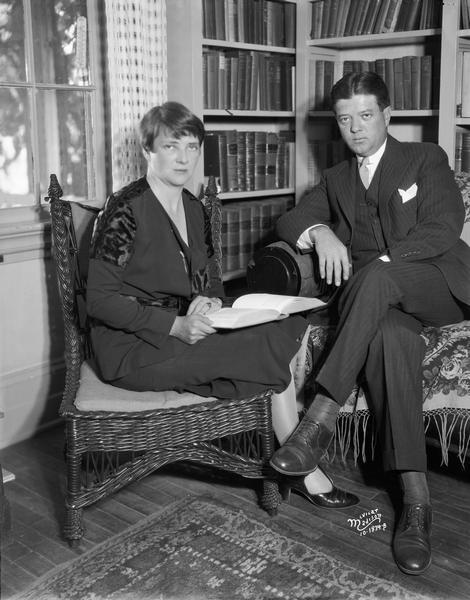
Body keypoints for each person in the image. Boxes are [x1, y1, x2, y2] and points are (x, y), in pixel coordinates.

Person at [86, 100, 358, 510]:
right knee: (263, 348)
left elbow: (208, 273)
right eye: (171, 147)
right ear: (147, 151)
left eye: (192, 147)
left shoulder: (194, 208)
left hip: (185, 328)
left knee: (281, 326)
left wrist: (207, 297)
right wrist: (173, 325)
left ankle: (292, 458)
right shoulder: (125, 210)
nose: (183, 158)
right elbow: (100, 300)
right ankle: (302, 467)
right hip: (133, 347)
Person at [269, 71, 470, 575]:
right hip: (381, 309)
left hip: (437, 285)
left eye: (365, 115)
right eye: (344, 119)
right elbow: (289, 223)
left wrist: (381, 265)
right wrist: (321, 233)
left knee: (375, 278)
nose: (355, 128)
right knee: (390, 337)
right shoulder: (337, 179)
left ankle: (318, 418)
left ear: (386, 114)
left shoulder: (426, 159)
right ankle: (416, 501)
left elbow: (444, 227)